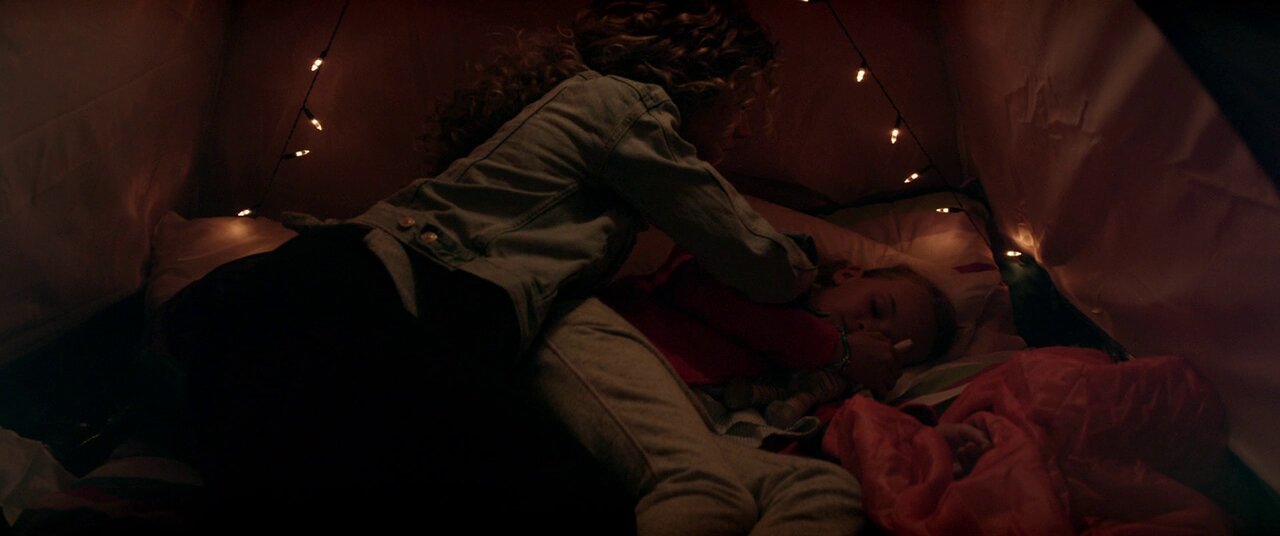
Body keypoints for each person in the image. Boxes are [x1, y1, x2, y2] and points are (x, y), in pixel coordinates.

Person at [154, 0, 822, 528]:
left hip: (350, 304)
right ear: (704, 79)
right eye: (744, 101)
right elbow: (757, 260)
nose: (744, 129)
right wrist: (813, 265)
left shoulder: (569, 145)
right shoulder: (626, 108)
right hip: (361, 298)